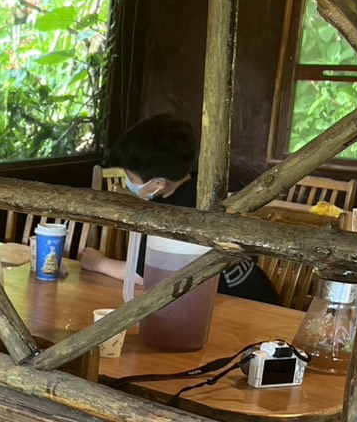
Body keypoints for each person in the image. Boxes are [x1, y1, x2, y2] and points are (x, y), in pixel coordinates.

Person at [80, 115, 280, 304]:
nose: (128, 183)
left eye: (131, 178)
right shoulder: (202, 189)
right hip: (256, 289)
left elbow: (141, 276)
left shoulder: (169, 215)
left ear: (158, 183)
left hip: (237, 304)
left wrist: (98, 263)